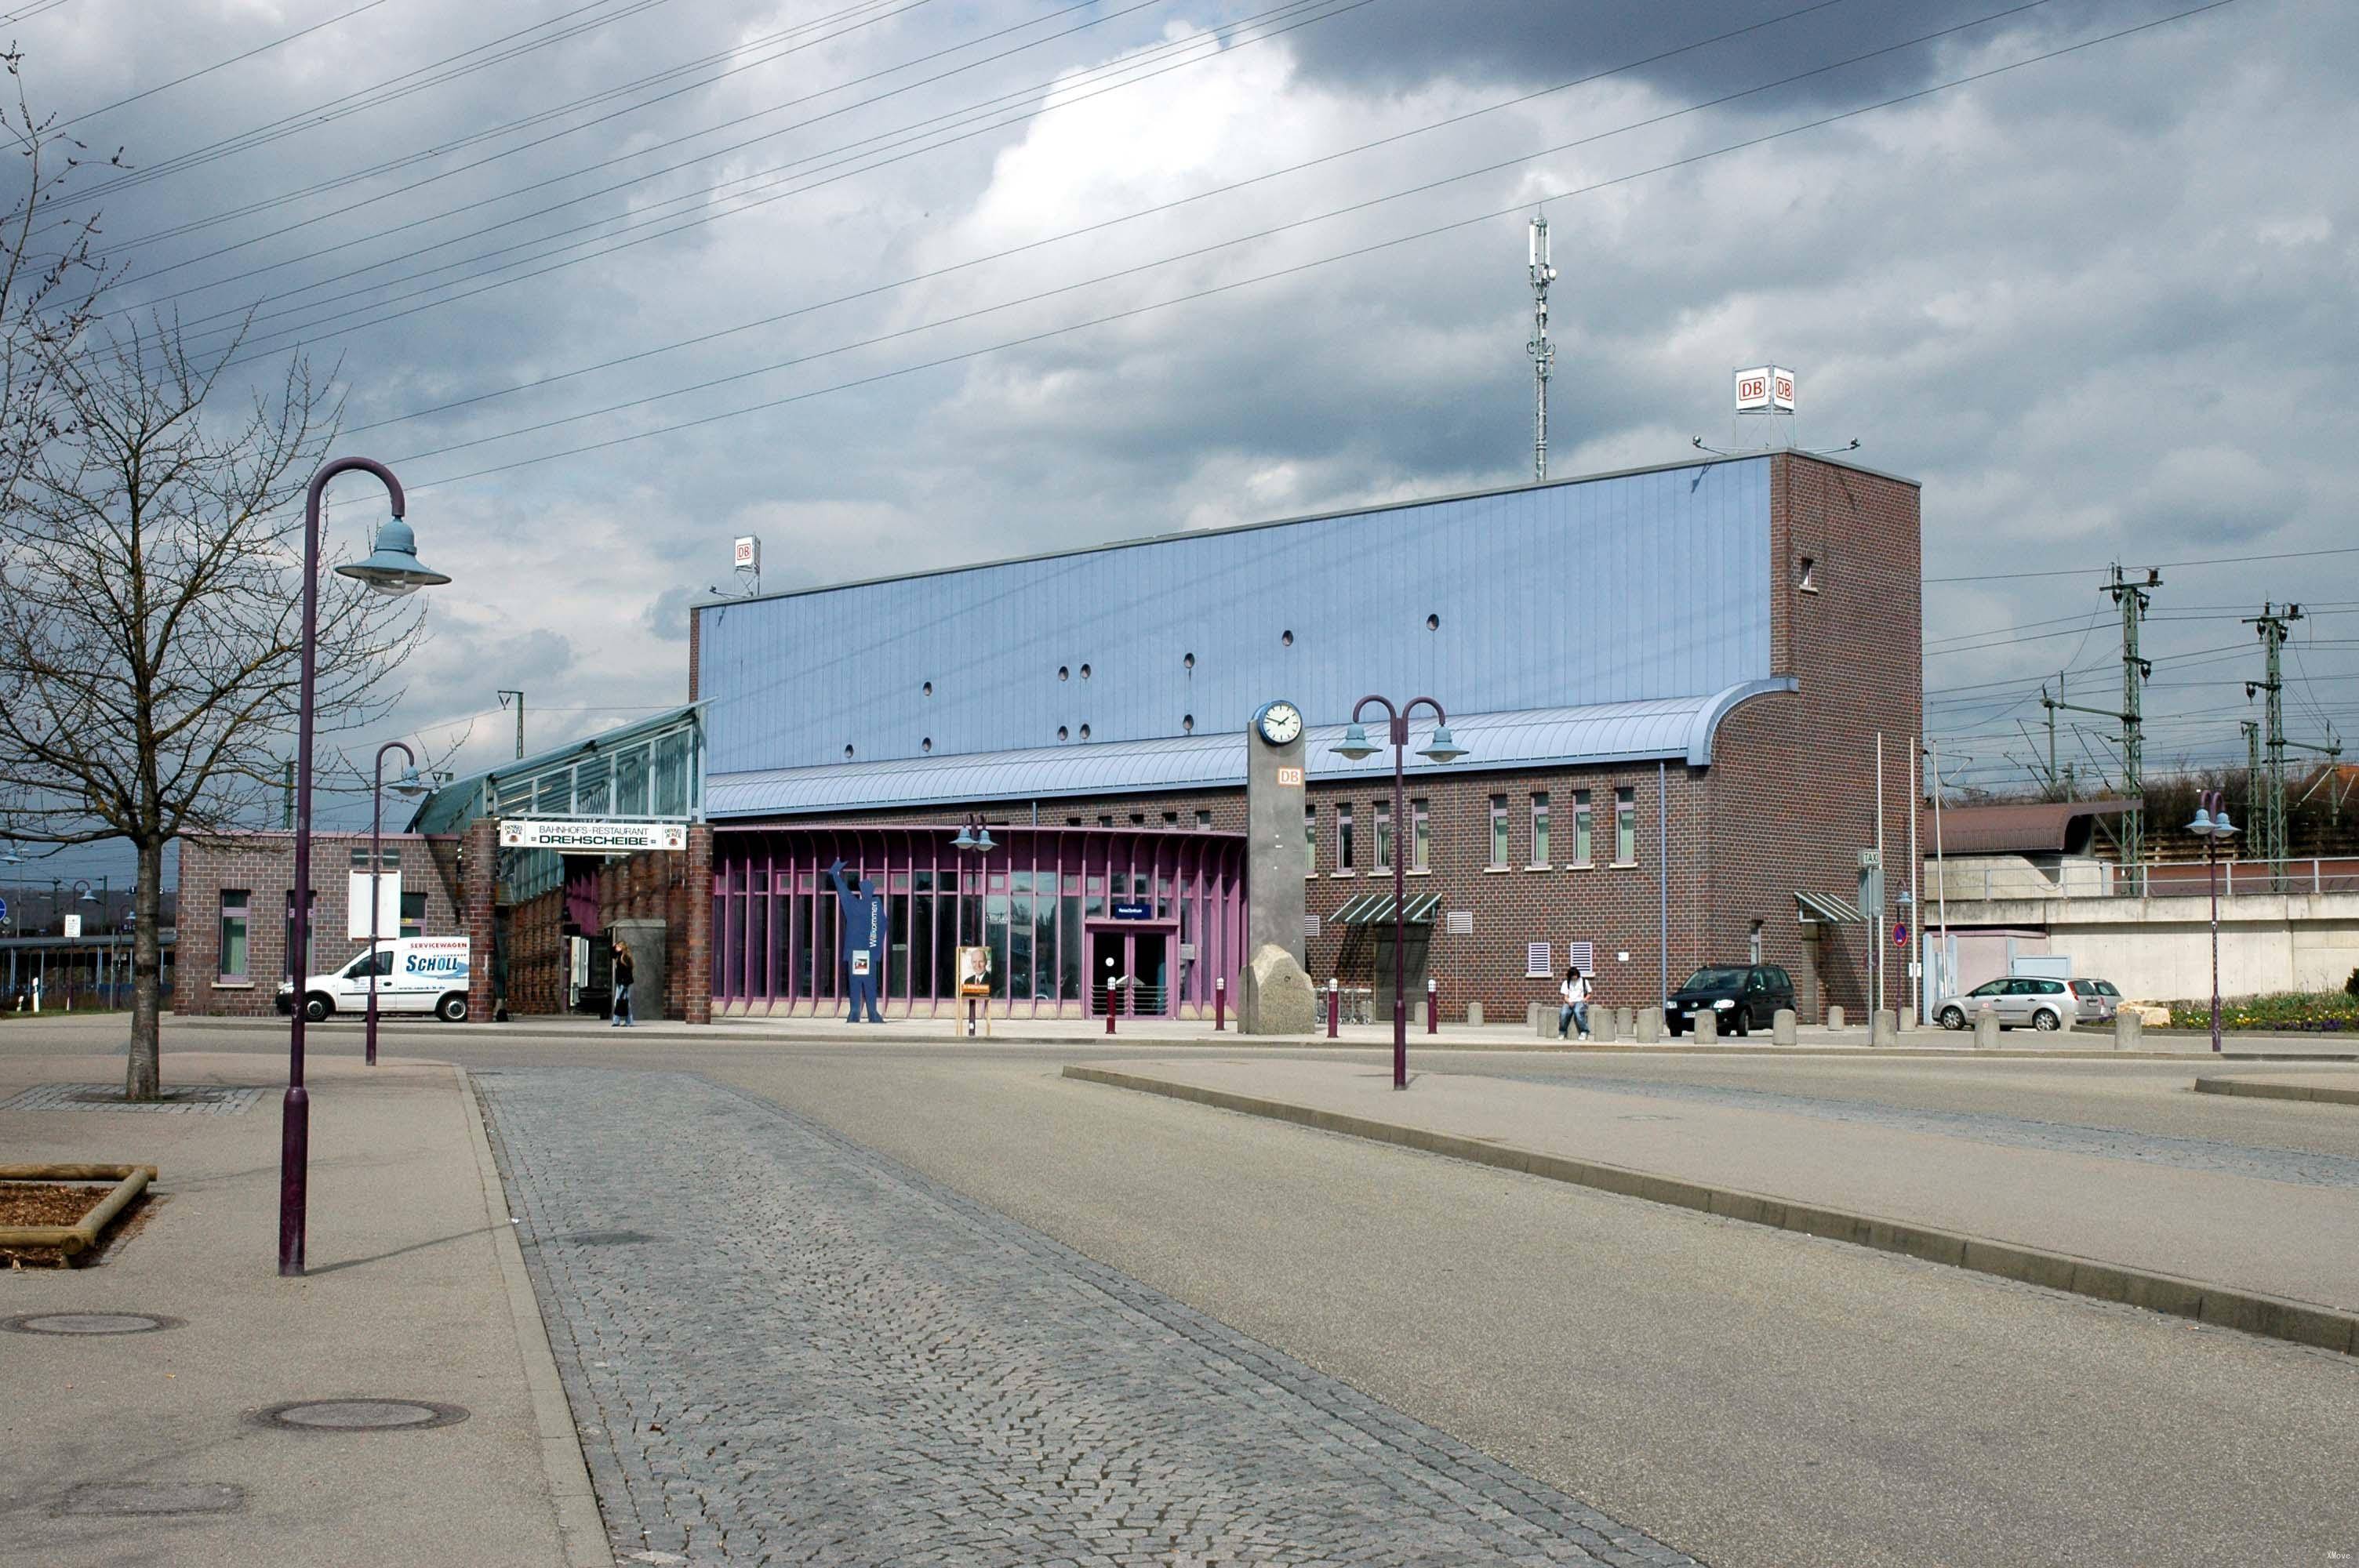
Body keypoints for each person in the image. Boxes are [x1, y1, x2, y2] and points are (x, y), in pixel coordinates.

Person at [1558, 964, 1590, 1040]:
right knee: (1563, 1013)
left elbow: (1590, 993)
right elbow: (1565, 997)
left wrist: (1585, 999)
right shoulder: (1566, 983)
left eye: (1576, 975)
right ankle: (1562, 1032)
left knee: (1577, 1012)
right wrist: (1569, 1002)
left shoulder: (1584, 981)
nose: (1574, 977)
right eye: (1573, 976)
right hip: (1570, 1002)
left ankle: (1584, 1031)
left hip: (1580, 1001)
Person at [610, 939, 635, 1028]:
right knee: (620, 1002)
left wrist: (625, 983)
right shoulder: (619, 956)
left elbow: (628, 972)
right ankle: (623, 1021)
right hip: (620, 983)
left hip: (624, 983)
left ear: (621, 947)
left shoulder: (625, 958)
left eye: (617, 946)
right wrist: (613, 947)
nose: (616, 948)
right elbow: (611, 955)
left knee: (623, 1002)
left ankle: (626, 1021)